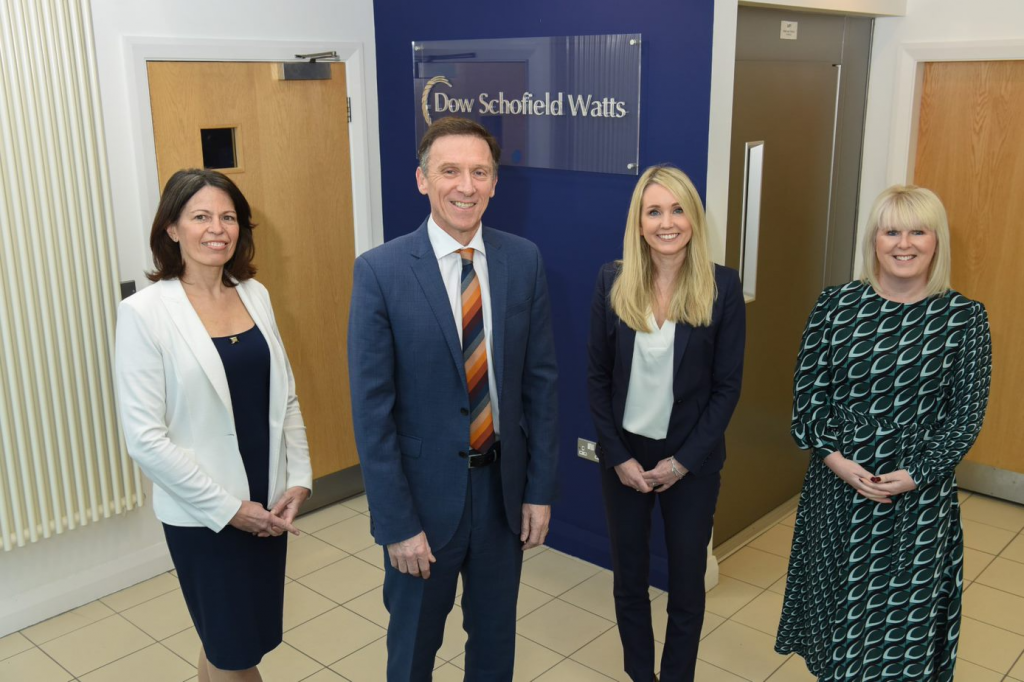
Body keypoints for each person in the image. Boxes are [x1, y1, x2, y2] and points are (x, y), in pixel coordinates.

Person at [347, 116, 559, 681]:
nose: (465, 186)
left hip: (501, 498)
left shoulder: (524, 260)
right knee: (413, 651)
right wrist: (395, 524)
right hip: (422, 505)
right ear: (422, 180)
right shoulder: (381, 271)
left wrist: (539, 490)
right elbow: (372, 413)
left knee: (494, 648)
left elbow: (541, 385)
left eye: (479, 172)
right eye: (450, 171)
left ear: (495, 183)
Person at [775, 185, 992, 681]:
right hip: (837, 487)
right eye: (891, 230)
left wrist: (916, 473)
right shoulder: (835, 305)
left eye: (918, 231)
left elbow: (966, 418)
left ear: (936, 241)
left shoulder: (964, 318)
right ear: (874, 239)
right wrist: (835, 460)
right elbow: (809, 398)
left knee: (898, 630)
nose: (904, 243)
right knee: (834, 617)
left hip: (915, 497)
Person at [115, 169, 312, 682]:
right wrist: (230, 510)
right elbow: (145, 439)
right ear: (172, 229)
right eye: (200, 216)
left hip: (266, 502)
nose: (216, 228)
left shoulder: (254, 293)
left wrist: (299, 477)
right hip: (204, 515)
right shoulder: (144, 314)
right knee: (236, 653)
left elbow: (284, 395)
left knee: (227, 641)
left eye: (227, 216)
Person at [587, 165, 746, 682]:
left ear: (694, 219)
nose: (667, 222)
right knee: (629, 581)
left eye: (678, 209)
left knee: (686, 585)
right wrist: (619, 458)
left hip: (691, 464)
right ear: (638, 222)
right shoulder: (613, 280)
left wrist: (681, 463)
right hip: (625, 461)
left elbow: (726, 389)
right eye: (654, 211)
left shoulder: (722, 286)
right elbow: (597, 378)